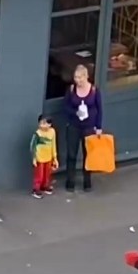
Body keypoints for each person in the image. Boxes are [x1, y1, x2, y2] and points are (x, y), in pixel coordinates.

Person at [63, 64, 103, 193]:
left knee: (88, 155)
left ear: (86, 76)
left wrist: (99, 126)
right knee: (71, 154)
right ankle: (70, 181)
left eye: (80, 77)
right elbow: (66, 107)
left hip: (89, 127)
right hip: (74, 125)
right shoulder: (71, 89)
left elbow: (99, 109)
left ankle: (87, 182)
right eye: (76, 77)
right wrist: (76, 113)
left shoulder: (94, 91)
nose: (77, 80)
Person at [30, 113, 58, 199]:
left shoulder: (52, 132)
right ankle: (36, 189)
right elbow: (32, 146)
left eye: (45, 123)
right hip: (39, 157)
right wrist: (34, 158)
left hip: (48, 157)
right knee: (39, 174)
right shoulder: (37, 134)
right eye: (41, 123)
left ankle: (45, 186)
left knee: (47, 173)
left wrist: (55, 157)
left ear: (50, 124)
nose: (43, 125)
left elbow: (53, 144)